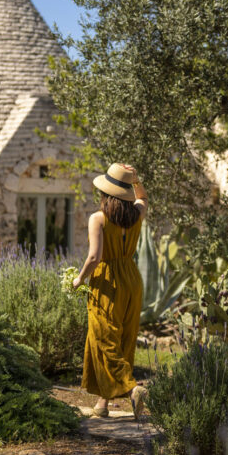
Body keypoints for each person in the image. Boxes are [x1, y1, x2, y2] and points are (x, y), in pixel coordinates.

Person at [72, 163, 149, 419]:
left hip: (107, 281)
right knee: (123, 338)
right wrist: (135, 179)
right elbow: (143, 198)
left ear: (105, 193)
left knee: (103, 339)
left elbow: (95, 256)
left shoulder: (98, 218)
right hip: (131, 278)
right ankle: (102, 403)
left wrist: (79, 279)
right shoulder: (138, 212)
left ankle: (132, 390)